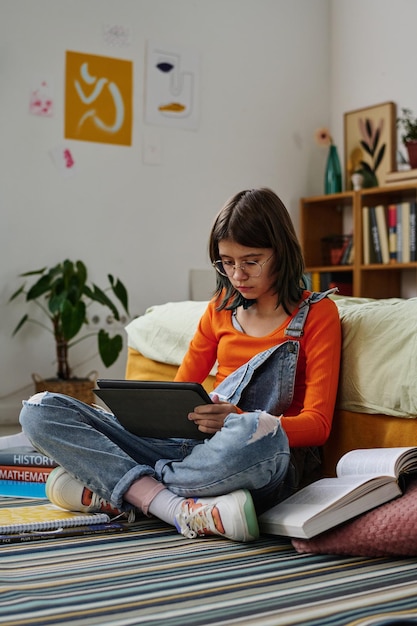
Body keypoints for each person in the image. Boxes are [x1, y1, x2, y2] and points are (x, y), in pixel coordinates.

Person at [19, 188, 342, 543]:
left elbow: (319, 425)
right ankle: (174, 506)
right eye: (226, 262)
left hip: (252, 453)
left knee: (257, 438)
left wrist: (239, 420)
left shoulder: (318, 314)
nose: (237, 275)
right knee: (39, 411)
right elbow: (174, 393)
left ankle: (126, 489)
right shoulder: (220, 307)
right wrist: (153, 415)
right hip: (186, 449)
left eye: (251, 261)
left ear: (282, 253)